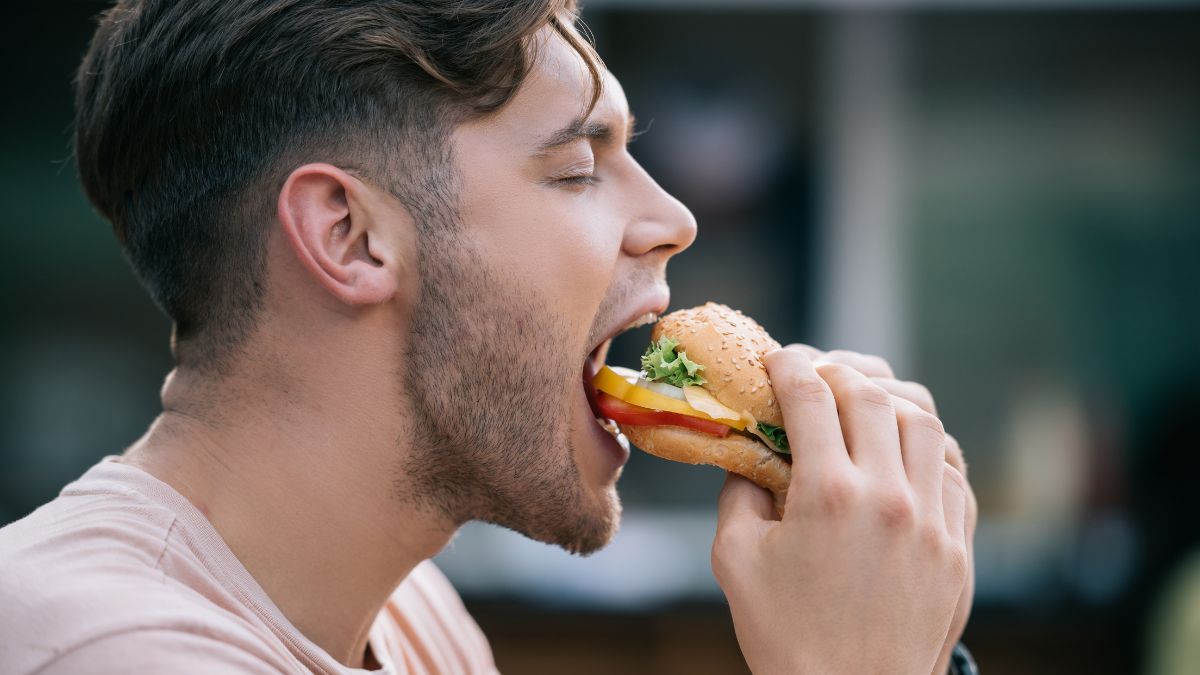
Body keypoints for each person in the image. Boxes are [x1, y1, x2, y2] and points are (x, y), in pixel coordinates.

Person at [0, 1, 977, 673]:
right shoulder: (96, 646)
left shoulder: (417, 621)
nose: (676, 217)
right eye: (577, 166)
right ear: (350, 235)